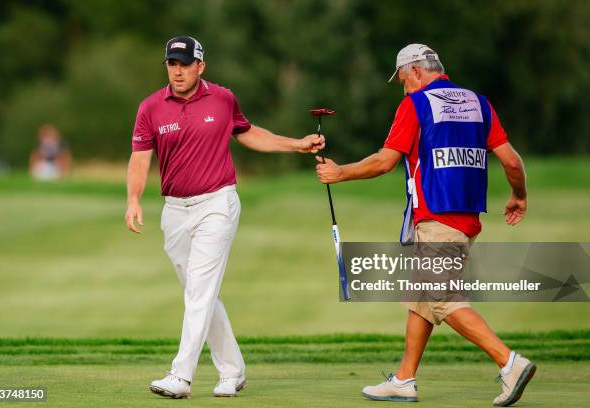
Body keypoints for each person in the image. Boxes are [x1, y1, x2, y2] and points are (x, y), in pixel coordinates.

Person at [315, 44, 534, 407]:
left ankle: (509, 362)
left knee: (441, 297)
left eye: (402, 80)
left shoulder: (414, 104)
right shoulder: (479, 103)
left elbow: (385, 162)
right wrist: (519, 196)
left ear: (415, 72)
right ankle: (404, 379)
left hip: (435, 219)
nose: (403, 88)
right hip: (465, 222)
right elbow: (511, 161)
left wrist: (340, 173)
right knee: (422, 298)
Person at [125, 35, 324, 399]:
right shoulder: (151, 108)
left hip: (217, 203)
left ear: (201, 66)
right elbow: (140, 158)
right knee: (201, 293)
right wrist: (133, 199)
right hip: (174, 210)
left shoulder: (222, 98)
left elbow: (248, 134)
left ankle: (180, 377)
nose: (178, 71)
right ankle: (232, 371)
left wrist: (295, 144)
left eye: (185, 64)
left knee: (199, 291)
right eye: (172, 64)